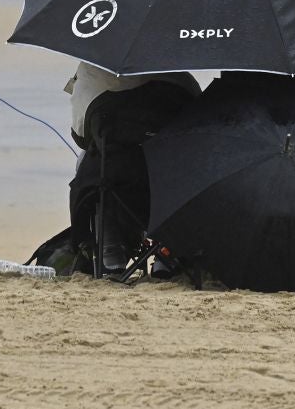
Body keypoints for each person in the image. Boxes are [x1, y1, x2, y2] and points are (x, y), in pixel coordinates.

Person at [64, 62, 200, 273]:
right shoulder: (180, 76)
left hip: (116, 181)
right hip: (170, 184)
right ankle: (168, 253)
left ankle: (110, 247)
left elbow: (81, 137)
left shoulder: (92, 70)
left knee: (91, 160)